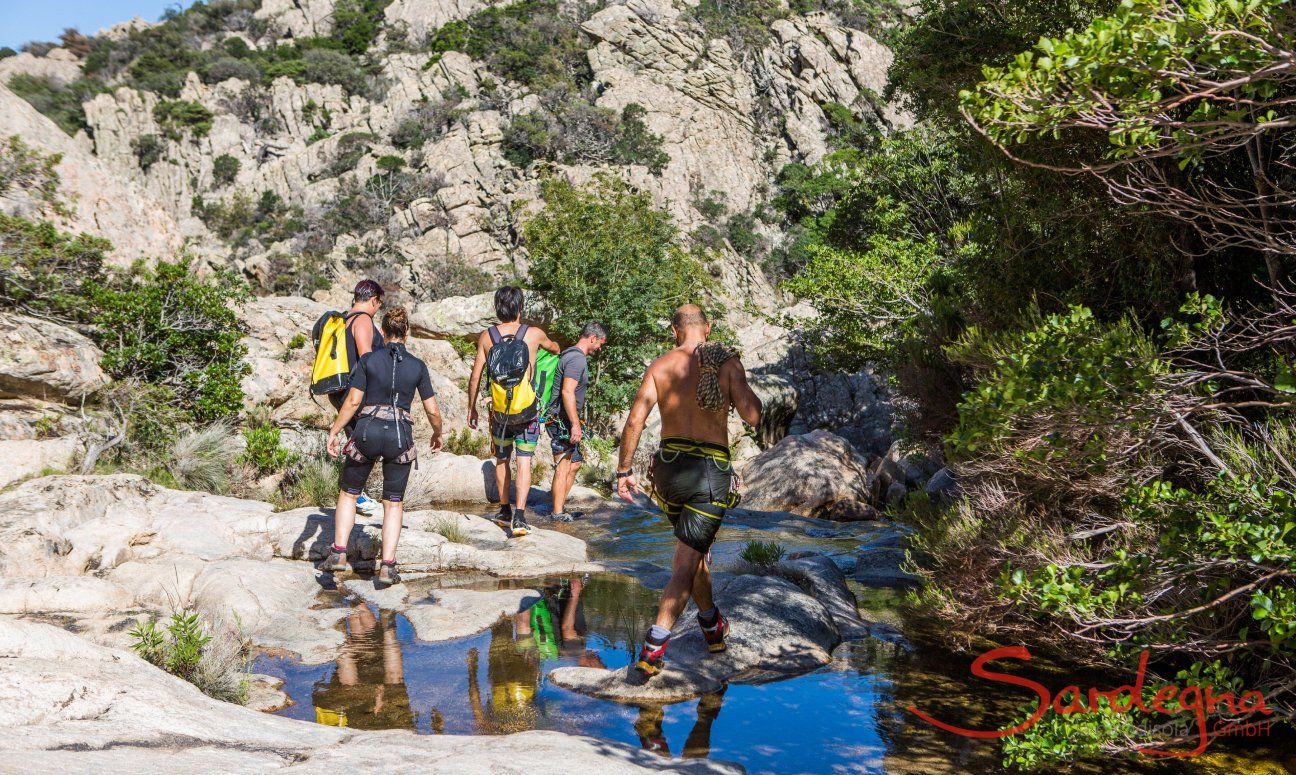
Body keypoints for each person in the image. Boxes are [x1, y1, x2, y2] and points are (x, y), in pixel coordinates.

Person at [616, 304, 762, 678]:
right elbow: (753, 415)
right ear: (708, 329)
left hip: (668, 474)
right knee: (685, 563)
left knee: (694, 551)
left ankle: (713, 627)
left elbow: (635, 421)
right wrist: (737, 383)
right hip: (708, 477)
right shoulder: (726, 363)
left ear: (674, 331)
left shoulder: (661, 366)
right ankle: (653, 648)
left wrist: (623, 471)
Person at [323, 306, 443, 587]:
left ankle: (339, 553)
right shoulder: (417, 366)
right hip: (400, 436)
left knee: (349, 494)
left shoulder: (369, 360)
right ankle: (387, 566)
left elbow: (353, 401)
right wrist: (438, 432)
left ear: (384, 333)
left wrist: (335, 430)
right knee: (393, 503)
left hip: (367, 431)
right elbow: (432, 410)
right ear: (408, 333)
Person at [466, 286, 560, 538]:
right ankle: (520, 516)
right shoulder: (534, 334)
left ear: (498, 309)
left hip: (500, 413)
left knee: (502, 459)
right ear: (520, 308)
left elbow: (475, 377)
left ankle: (504, 510)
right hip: (527, 411)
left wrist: (471, 408)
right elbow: (555, 349)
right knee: (524, 462)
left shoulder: (487, 337)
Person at [329, 279, 387, 516]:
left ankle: (355, 493)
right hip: (356, 392)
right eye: (378, 305)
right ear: (373, 300)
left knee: (356, 440)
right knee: (362, 443)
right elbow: (367, 358)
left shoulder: (345, 319)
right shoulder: (363, 320)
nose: (377, 309)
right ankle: (355, 495)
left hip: (340, 390)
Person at [545, 322, 607, 522]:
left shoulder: (571, 355)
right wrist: (575, 424)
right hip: (561, 421)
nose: (599, 348)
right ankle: (557, 513)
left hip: (565, 419)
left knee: (575, 463)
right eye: (600, 343)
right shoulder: (576, 360)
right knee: (564, 463)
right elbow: (567, 391)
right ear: (593, 338)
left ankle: (559, 506)